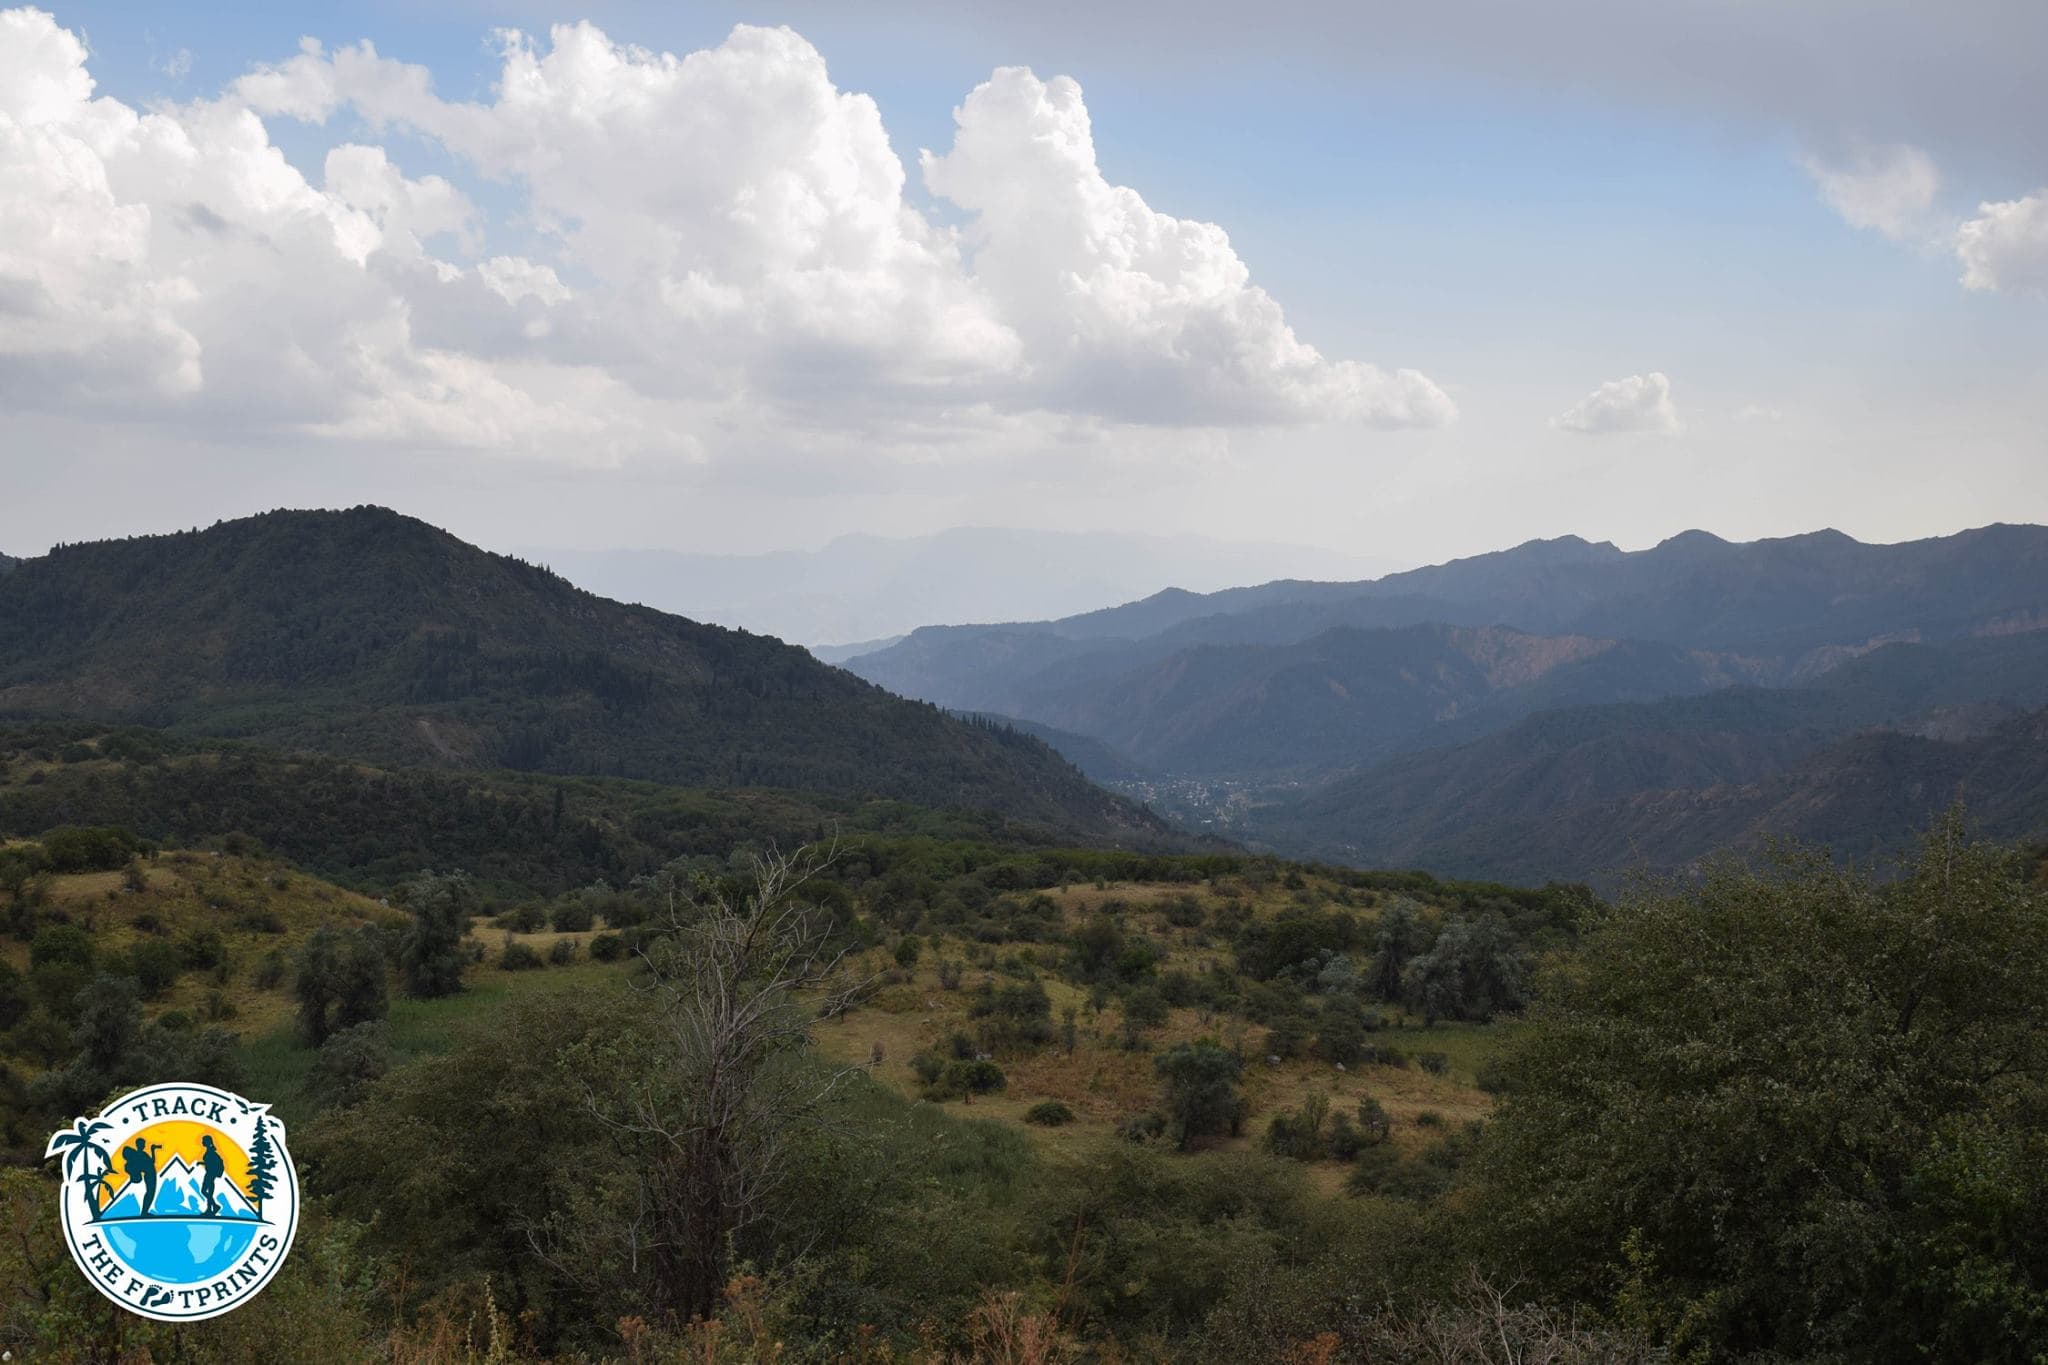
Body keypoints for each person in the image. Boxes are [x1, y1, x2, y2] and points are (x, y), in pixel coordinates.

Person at [120, 1137, 160, 1217]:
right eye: (143, 1144)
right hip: (150, 1175)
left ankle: (144, 1212)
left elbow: (151, 1162)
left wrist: (152, 1150)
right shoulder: (139, 1155)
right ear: (139, 1145)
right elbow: (148, 1164)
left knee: (150, 1193)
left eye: (144, 1144)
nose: (144, 1146)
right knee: (150, 1193)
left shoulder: (141, 1154)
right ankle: (144, 1212)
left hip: (151, 1174)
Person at [198, 1135, 226, 1217]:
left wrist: (204, 1163)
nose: (202, 1142)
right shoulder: (210, 1151)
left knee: (204, 1191)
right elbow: (209, 1162)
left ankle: (212, 1208)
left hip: (210, 1174)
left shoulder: (210, 1152)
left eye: (203, 1140)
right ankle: (211, 1208)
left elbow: (211, 1163)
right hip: (210, 1174)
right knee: (208, 1192)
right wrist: (201, 1163)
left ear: (207, 1142)